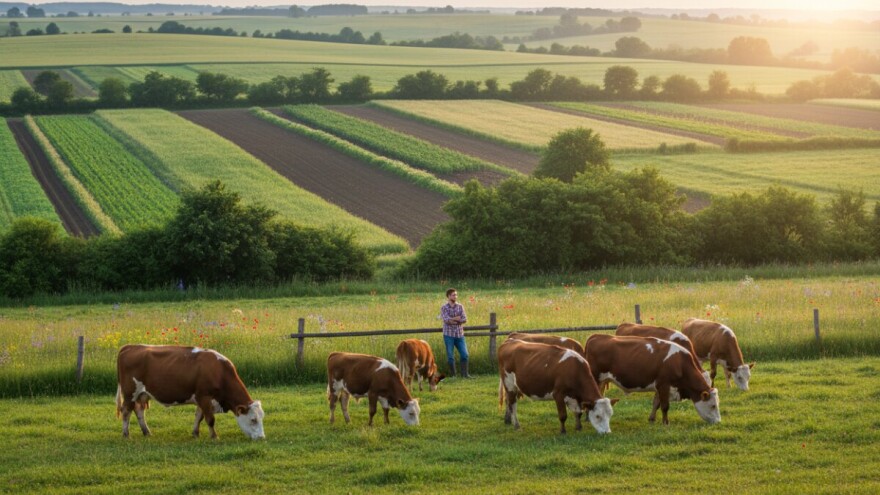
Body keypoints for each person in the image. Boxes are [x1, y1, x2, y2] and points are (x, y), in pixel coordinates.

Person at [440, 288, 471, 378]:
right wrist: (456, 319)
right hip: (448, 335)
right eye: (454, 295)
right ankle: (454, 375)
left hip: (459, 334)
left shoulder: (460, 306)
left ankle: (465, 374)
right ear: (448, 296)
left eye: (456, 295)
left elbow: (464, 319)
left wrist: (452, 319)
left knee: (465, 354)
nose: (455, 296)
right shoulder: (444, 307)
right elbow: (446, 320)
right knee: (450, 356)